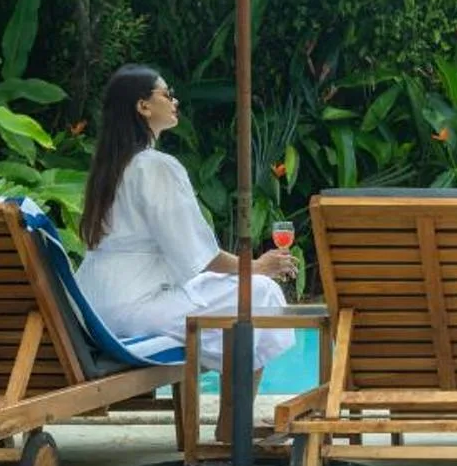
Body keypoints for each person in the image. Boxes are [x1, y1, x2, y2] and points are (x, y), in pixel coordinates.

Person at [75, 65, 298, 368]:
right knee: (260, 291)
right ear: (143, 106)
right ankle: (237, 401)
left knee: (230, 290)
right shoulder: (155, 167)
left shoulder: (107, 171)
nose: (175, 101)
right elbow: (200, 255)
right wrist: (257, 267)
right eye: (167, 94)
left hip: (93, 309)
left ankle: (231, 394)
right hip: (137, 309)